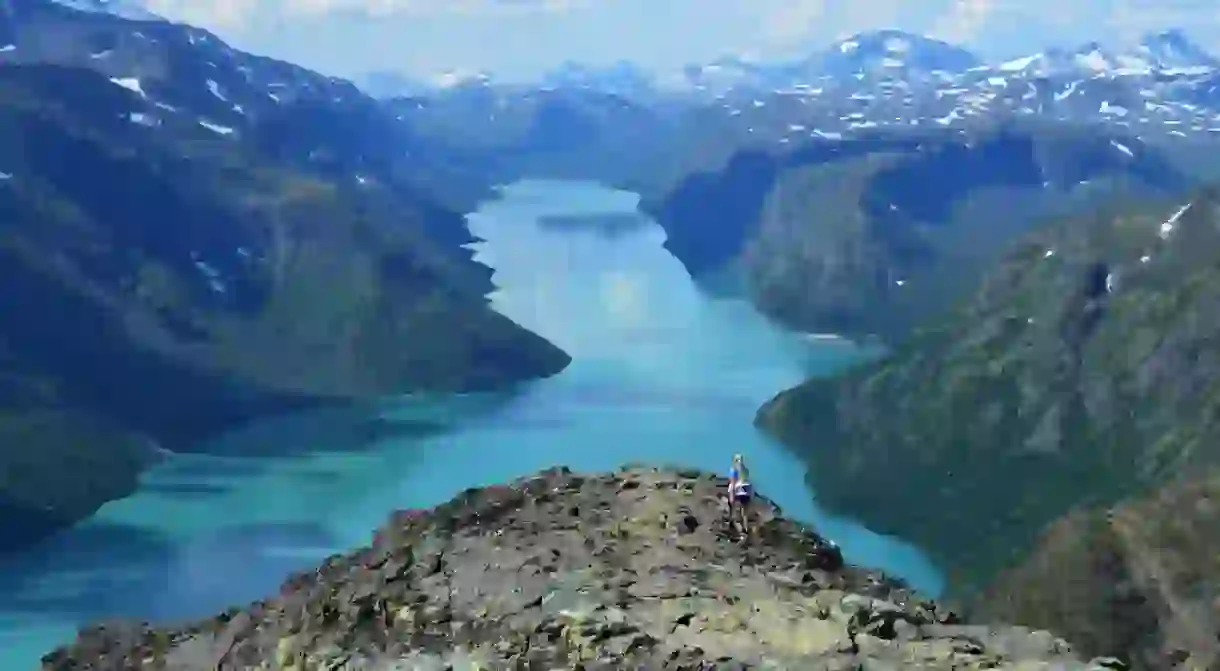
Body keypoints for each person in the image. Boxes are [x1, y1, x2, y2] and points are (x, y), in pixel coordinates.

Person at [726, 453, 753, 535]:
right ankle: (746, 529)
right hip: (747, 492)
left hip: (738, 492)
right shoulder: (746, 470)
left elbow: (733, 482)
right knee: (744, 513)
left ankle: (733, 528)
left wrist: (732, 495)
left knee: (733, 511)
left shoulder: (734, 469)